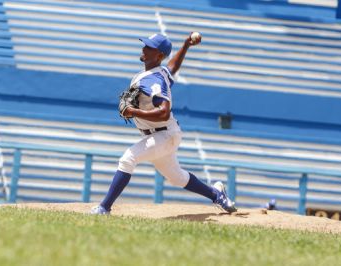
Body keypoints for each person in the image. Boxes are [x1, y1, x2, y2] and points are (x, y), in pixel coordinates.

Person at [91, 33, 237, 214]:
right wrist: (185, 45)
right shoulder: (158, 72)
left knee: (128, 159)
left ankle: (104, 207)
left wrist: (133, 111)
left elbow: (164, 112)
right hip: (162, 134)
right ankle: (217, 195)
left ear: (159, 55)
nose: (144, 48)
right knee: (177, 178)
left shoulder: (153, 80)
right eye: (145, 44)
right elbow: (172, 67)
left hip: (163, 134)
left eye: (149, 47)